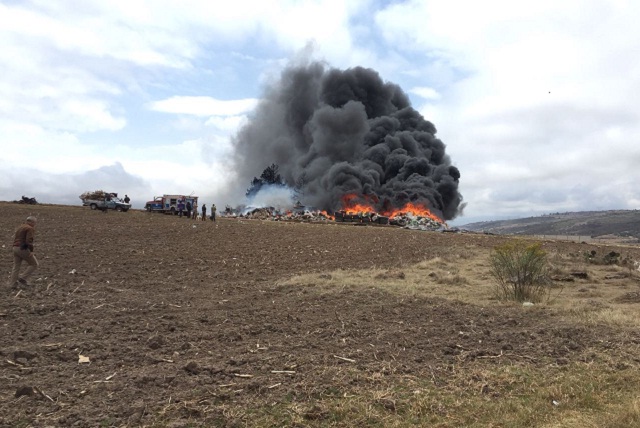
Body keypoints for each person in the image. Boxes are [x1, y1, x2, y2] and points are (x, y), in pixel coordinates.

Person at [8, 216, 39, 288]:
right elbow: (29, 241)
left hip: (15, 247)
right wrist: (31, 250)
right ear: (31, 222)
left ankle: (13, 284)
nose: (35, 224)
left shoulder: (20, 227)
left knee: (16, 266)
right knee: (34, 264)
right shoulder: (30, 228)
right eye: (34, 223)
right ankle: (22, 278)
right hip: (22, 248)